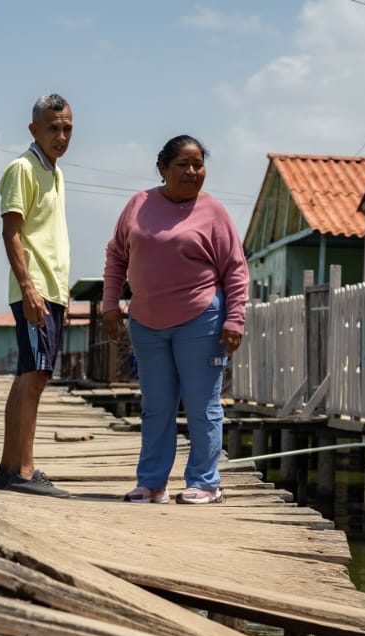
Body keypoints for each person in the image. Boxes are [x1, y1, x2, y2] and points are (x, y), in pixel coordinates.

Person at [101, 135, 249, 505]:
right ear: (162, 169)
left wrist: (235, 320)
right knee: (157, 407)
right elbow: (117, 256)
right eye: (182, 164)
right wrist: (109, 305)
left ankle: (206, 482)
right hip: (147, 322)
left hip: (201, 319)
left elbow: (235, 269)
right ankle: (152, 483)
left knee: (202, 405)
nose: (191, 171)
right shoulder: (139, 204)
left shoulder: (213, 212)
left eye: (198, 164)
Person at [0, 93, 73, 498]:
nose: (61, 135)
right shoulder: (23, 168)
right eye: (53, 128)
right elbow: (11, 232)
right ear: (33, 129)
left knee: (27, 376)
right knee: (35, 378)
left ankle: (9, 469)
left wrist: (60, 288)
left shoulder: (55, 173)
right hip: (34, 288)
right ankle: (24, 470)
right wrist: (29, 287)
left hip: (50, 289)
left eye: (67, 128)